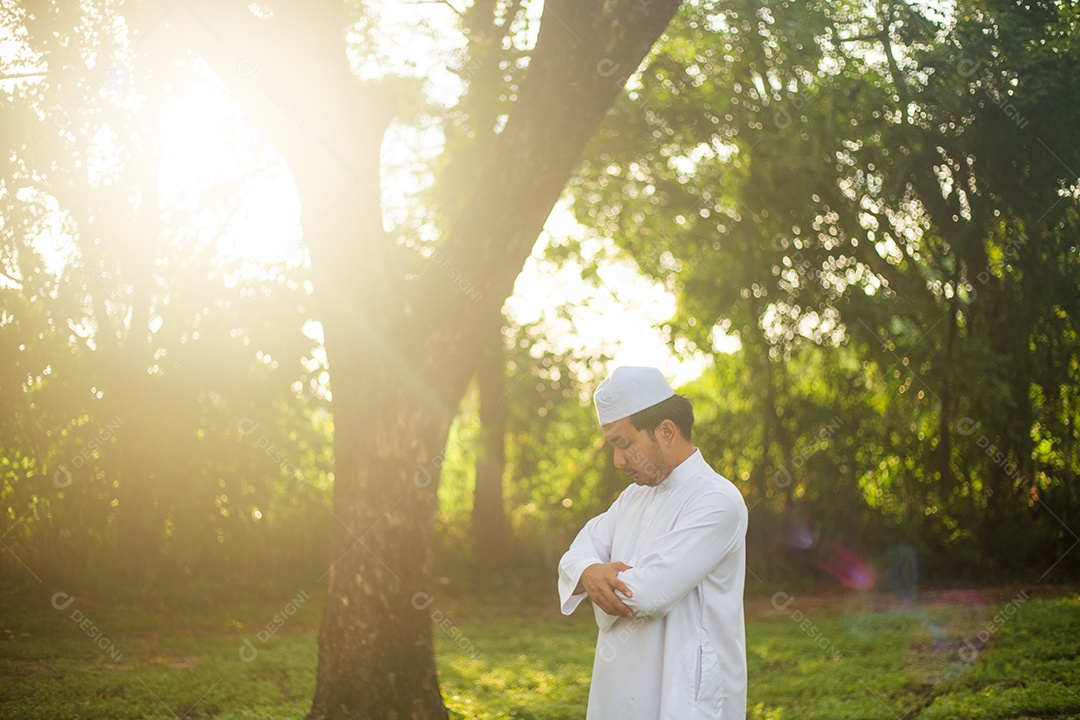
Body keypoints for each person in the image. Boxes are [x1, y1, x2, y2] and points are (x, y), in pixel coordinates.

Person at [558, 365, 748, 719]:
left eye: (624, 443)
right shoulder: (632, 498)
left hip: (687, 693)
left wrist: (594, 577)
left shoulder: (717, 500)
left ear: (666, 431)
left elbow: (647, 593)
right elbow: (577, 553)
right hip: (619, 686)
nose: (617, 460)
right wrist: (587, 570)